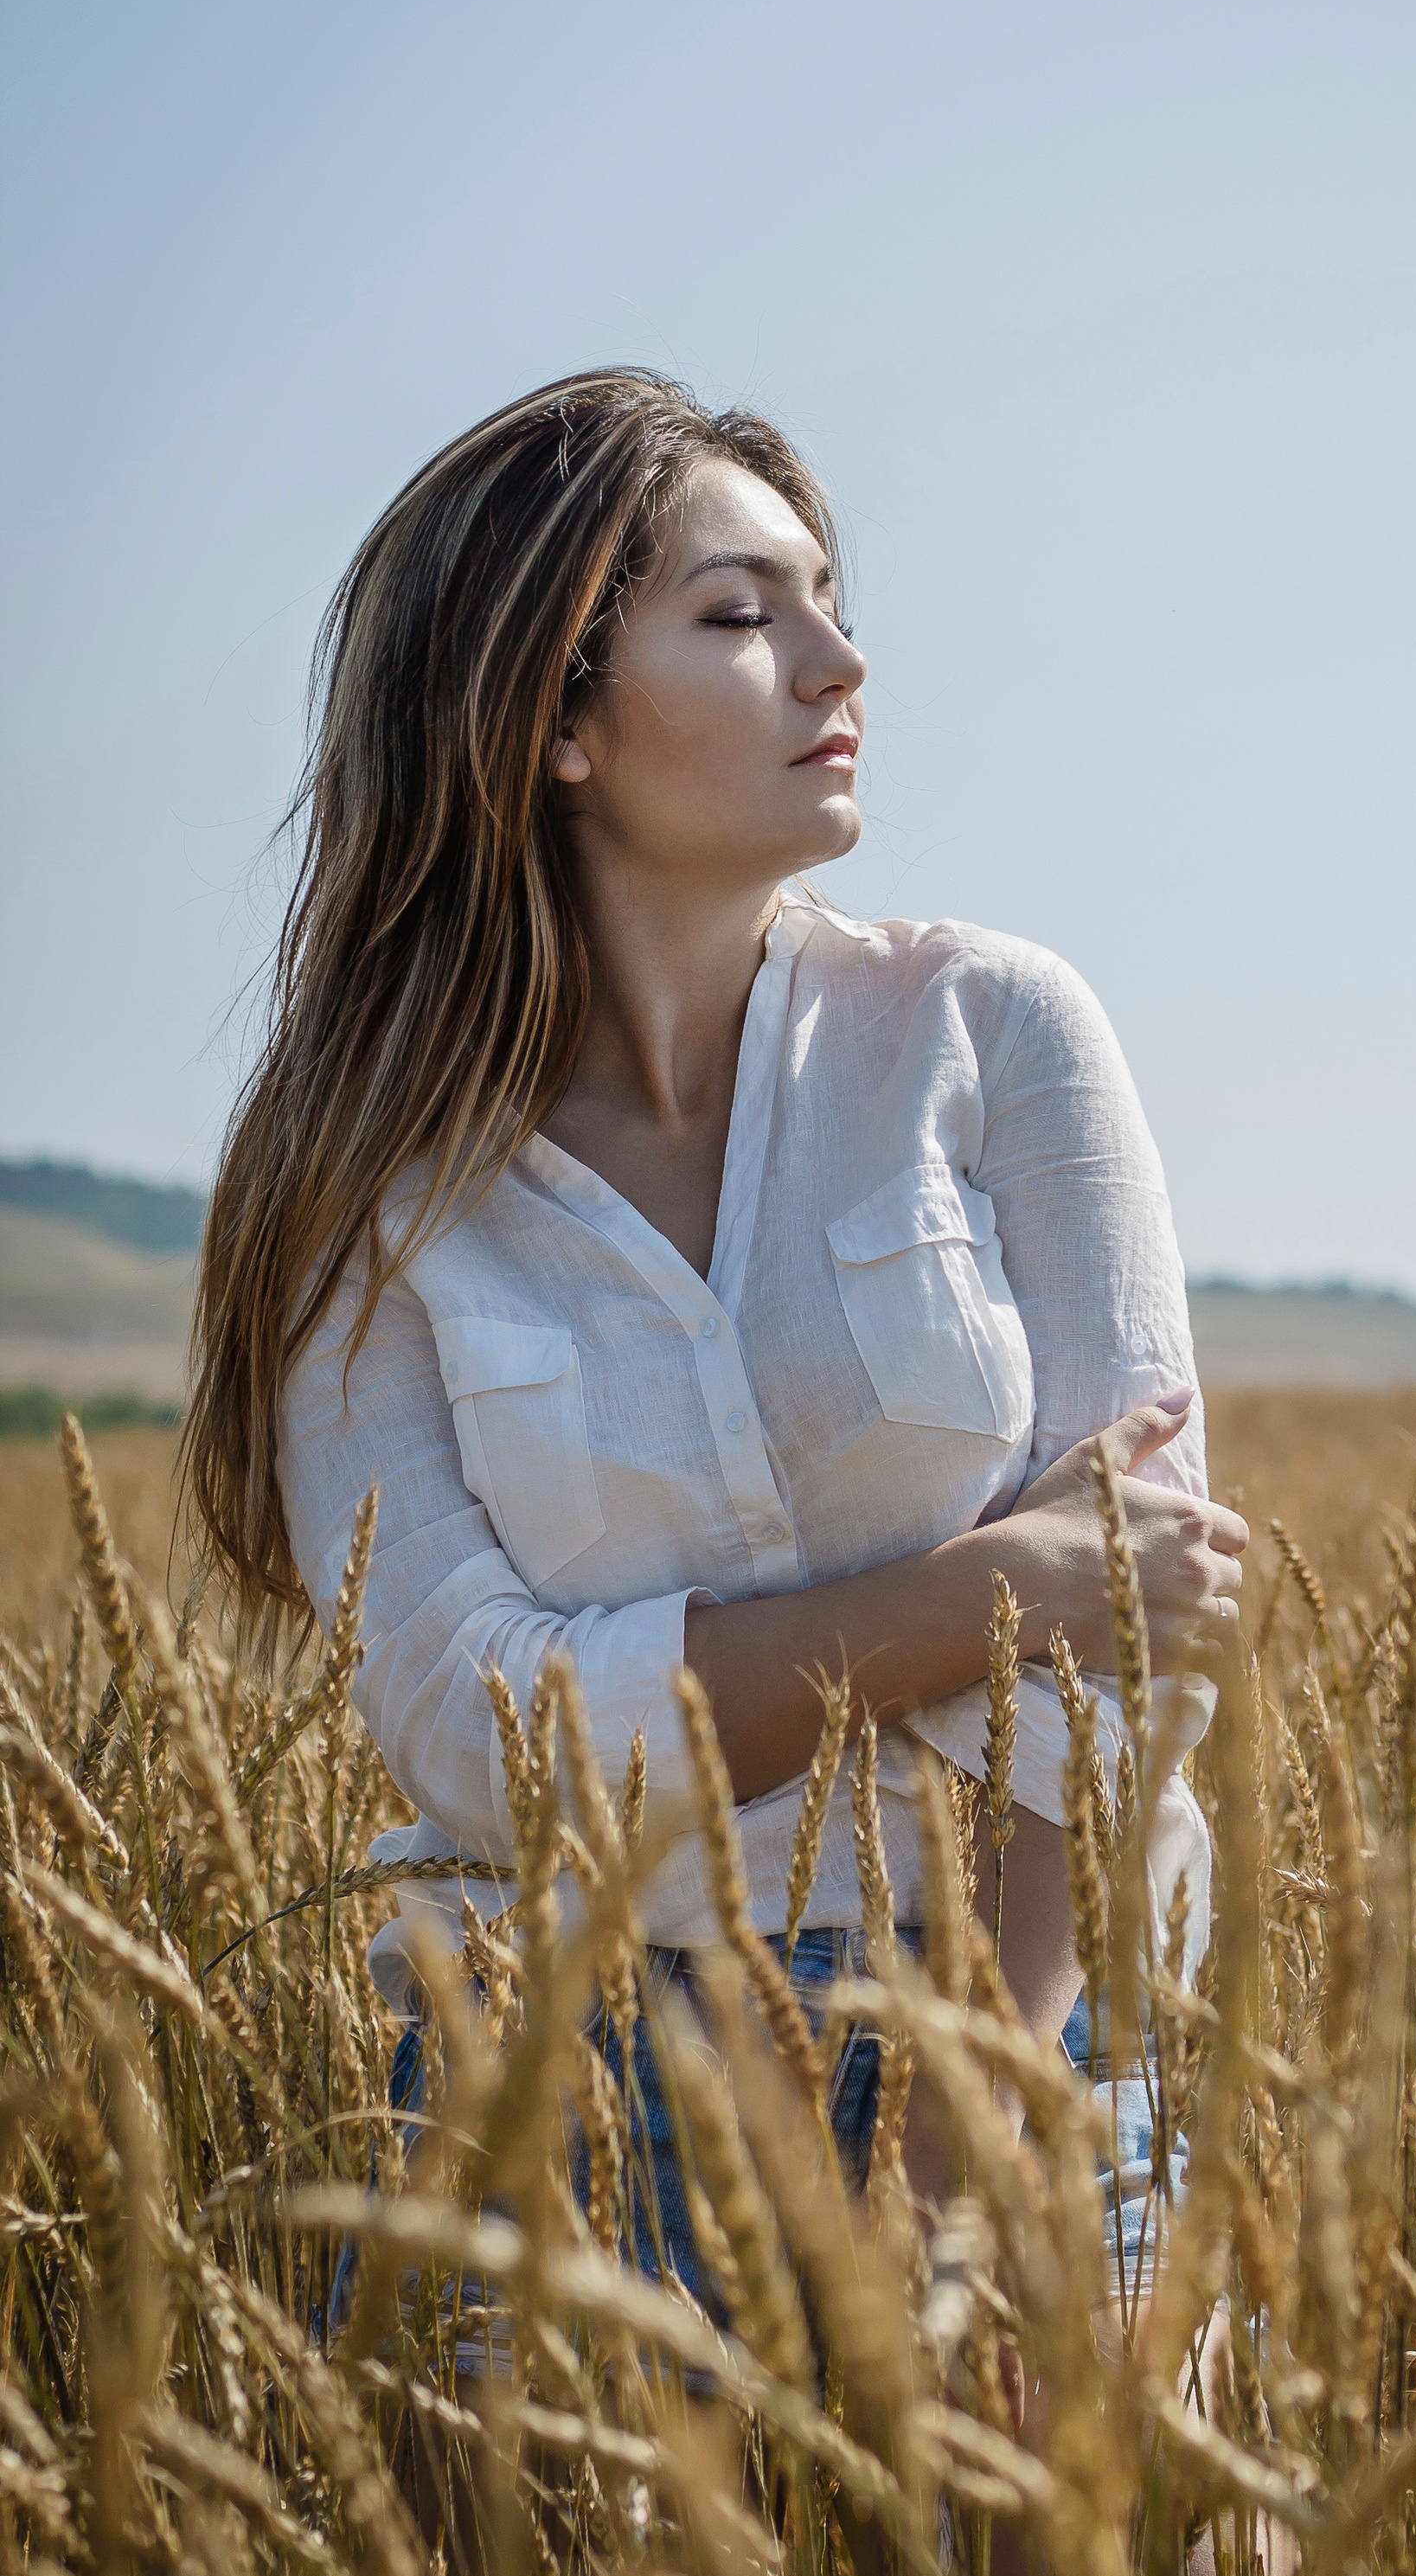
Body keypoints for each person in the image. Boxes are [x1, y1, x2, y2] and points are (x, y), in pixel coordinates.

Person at [183, 366, 1248, 2245]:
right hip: (551, 2080)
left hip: (1029, 2022)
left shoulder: (990, 1033)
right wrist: (985, 1594)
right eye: (744, 617)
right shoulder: (358, 1179)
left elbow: (1134, 1636)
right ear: (553, 718)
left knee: (1096, 2549)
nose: (838, 666)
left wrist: (959, 2149)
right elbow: (471, 1725)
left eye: (831, 604)